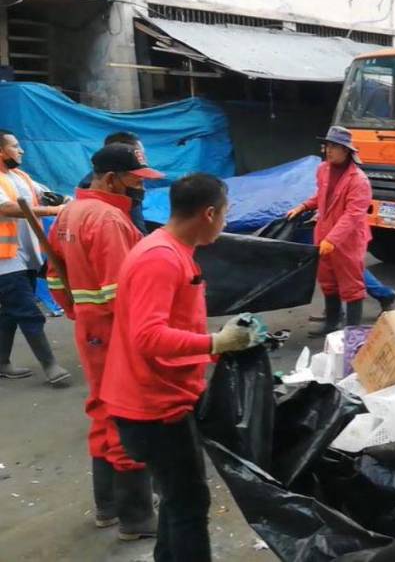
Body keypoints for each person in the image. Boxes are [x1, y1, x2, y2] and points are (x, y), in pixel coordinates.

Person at [100, 173, 261, 562]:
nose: (225, 221)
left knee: (178, 497)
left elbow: (171, 325)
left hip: (159, 397)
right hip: (153, 407)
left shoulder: (170, 249)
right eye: (225, 213)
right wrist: (214, 342)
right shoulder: (161, 259)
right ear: (208, 213)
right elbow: (148, 337)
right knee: (189, 502)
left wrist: (217, 344)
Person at [46, 144, 164, 539]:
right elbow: (123, 292)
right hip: (118, 331)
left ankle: (108, 506)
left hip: (91, 330)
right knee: (130, 416)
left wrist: (79, 312)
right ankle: (136, 518)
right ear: (112, 179)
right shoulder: (109, 219)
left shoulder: (68, 213)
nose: (139, 190)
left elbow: (54, 279)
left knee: (103, 410)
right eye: (135, 181)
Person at [0, 129, 71, 386]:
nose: (21, 150)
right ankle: (51, 366)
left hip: (26, 255)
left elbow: (47, 194)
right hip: (4, 261)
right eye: (15, 146)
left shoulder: (19, 176)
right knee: (27, 311)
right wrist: (54, 210)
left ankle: (2, 363)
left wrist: (69, 201)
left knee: (10, 312)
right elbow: (7, 207)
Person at [286, 126, 372, 337]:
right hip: (324, 233)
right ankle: (332, 323)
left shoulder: (359, 181)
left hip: (348, 240)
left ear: (346, 150)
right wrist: (304, 206)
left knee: (352, 285)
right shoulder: (323, 169)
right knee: (328, 281)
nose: (328, 150)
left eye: (334, 146)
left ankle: (352, 332)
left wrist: (332, 239)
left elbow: (353, 215)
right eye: (327, 146)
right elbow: (322, 196)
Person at [79, 132, 149, 234]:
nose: (142, 189)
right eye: (137, 153)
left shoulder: (82, 194)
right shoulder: (111, 220)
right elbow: (138, 231)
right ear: (110, 179)